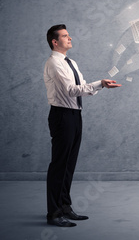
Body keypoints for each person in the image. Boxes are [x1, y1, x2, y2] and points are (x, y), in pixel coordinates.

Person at [43, 24, 121, 227]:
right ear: (55, 41)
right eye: (65, 36)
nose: (70, 38)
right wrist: (100, 84)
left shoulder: (71, 62)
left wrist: (99, 84)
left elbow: (81, 87)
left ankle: (65, 207)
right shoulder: (54, 63)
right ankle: (54, 213)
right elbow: (71, 90)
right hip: (62, 116)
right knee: (59, 165)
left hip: (75, 115)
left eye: (68, 35)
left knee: (69, 165)